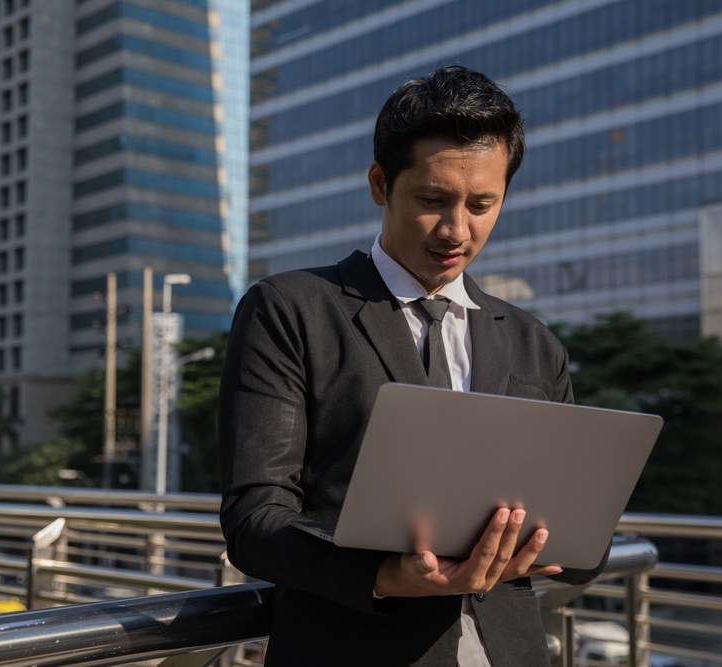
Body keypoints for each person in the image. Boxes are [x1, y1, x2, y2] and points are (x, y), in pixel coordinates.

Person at [218, 66, 607, 666]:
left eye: (483, 204)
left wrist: (559, 542)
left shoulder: (534, 342)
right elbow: (254, 519)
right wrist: (385, 574)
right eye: (432, 200)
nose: (457, 231)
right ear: (380, 184)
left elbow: (586, 546)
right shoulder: (290, 310)